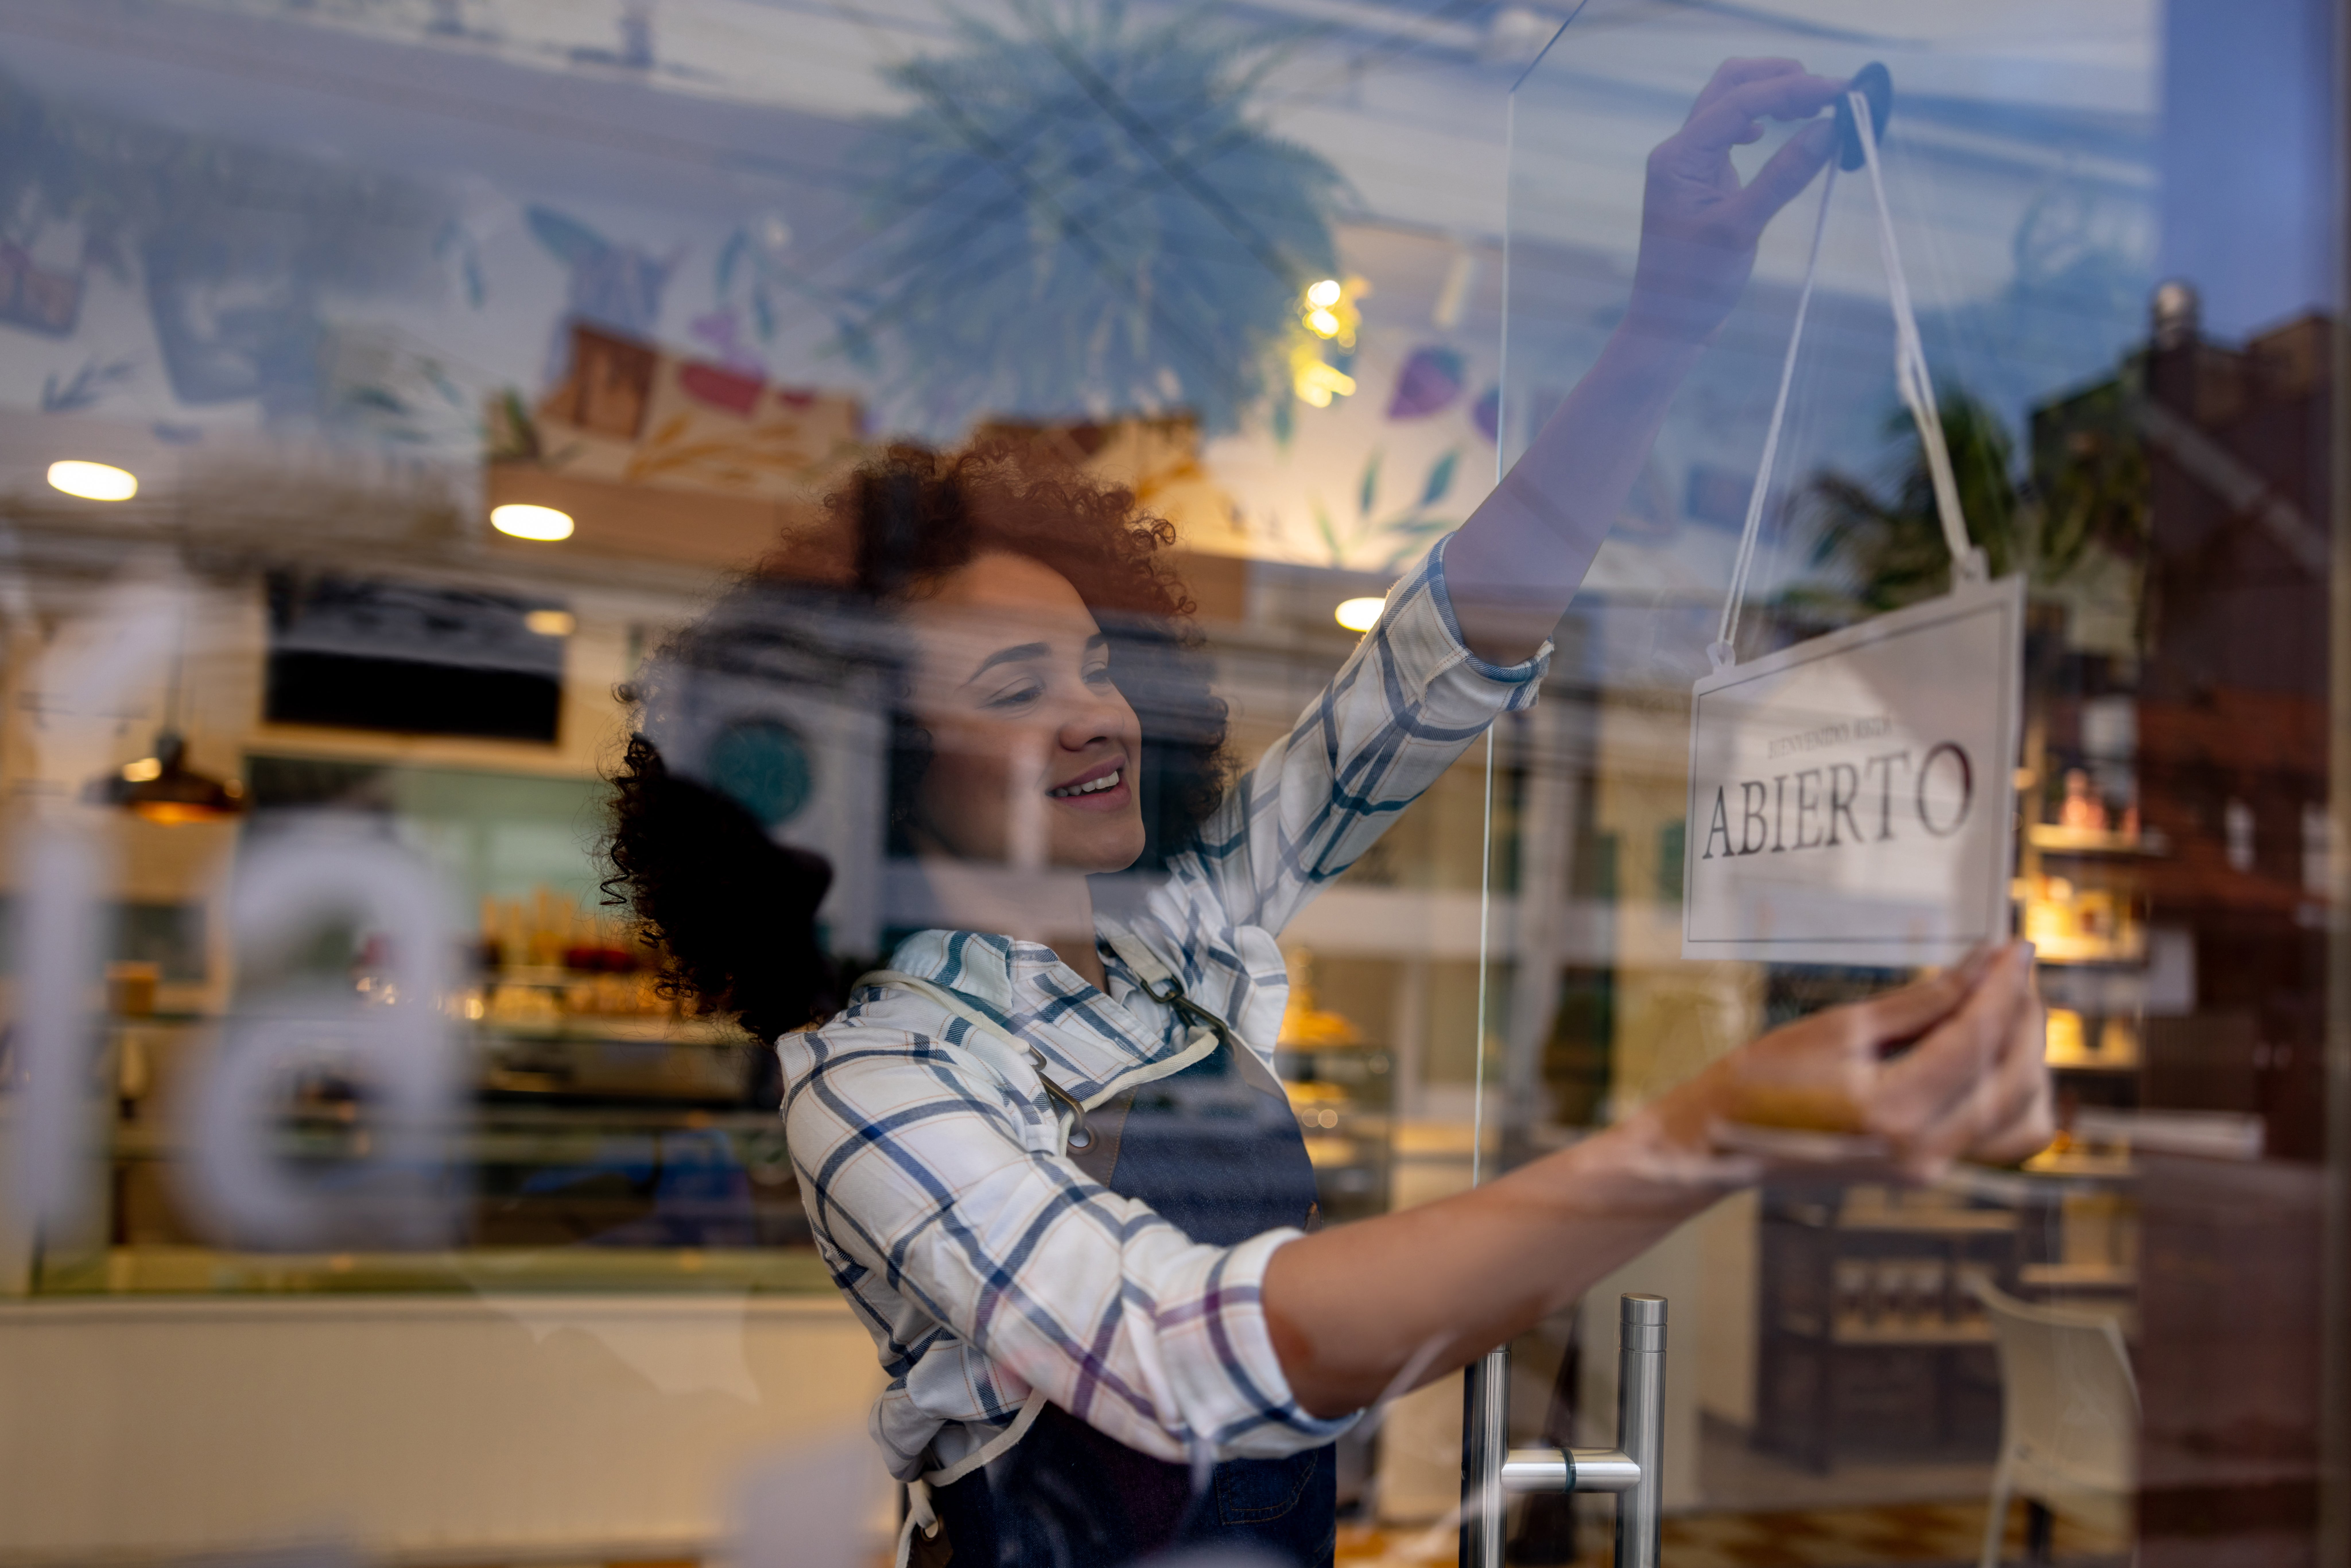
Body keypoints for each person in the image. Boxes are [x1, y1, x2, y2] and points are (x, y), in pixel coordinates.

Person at [606, 59, 2053, 1568]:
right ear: (890, 756)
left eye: (1100, 665)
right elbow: (1174, 1359)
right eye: (1022, 683)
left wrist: (1665, 322)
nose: (1097, 711)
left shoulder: (1178, 927)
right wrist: (1710, 1128)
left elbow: (1429, 675)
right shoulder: (876, 1079)